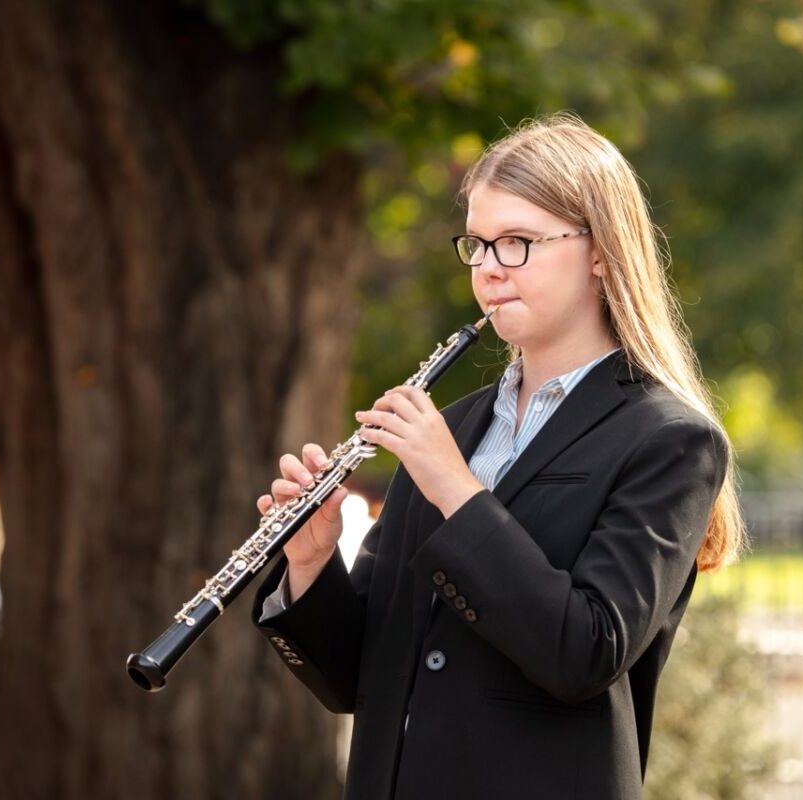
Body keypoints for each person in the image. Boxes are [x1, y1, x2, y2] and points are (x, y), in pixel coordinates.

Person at [252, 112, 744, 800]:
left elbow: (586, 652)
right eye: (478, 245)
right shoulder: (448, 429)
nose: (487, 269)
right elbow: (356, 678)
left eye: (516, 243)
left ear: (600, 252)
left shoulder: (669, 440)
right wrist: (310, 563)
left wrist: (455, 488)